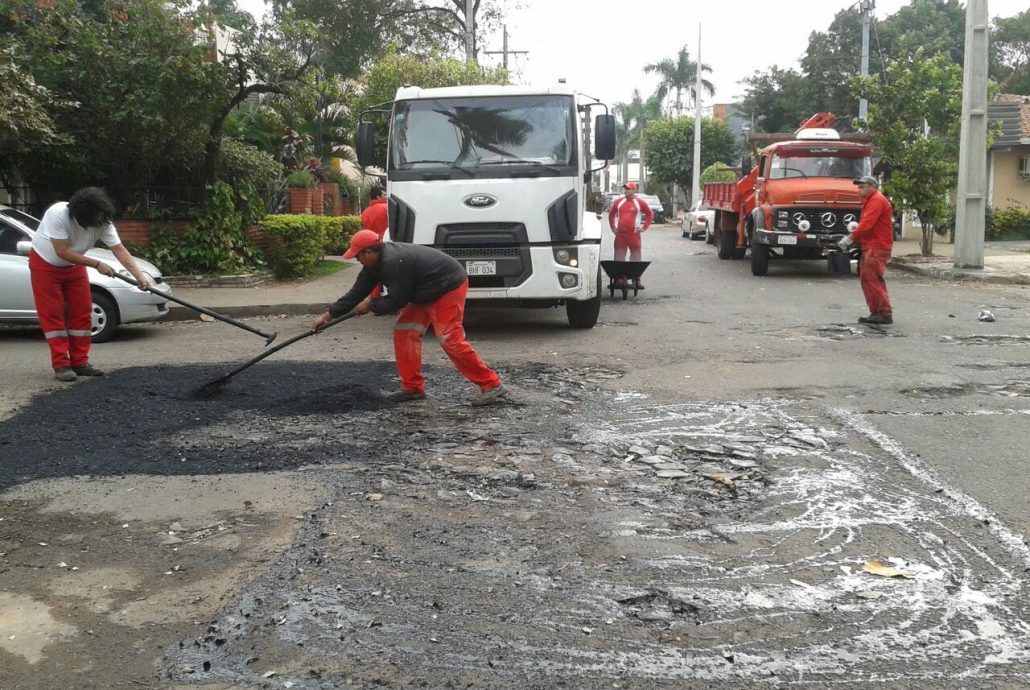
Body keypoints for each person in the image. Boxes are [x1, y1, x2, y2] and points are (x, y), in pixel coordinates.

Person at [312, 230, 507, 406]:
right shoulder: (374, 265)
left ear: (368, 252)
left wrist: (371, 305)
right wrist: (328, 315)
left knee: (449, 339)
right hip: (422, 290)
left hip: (447, 286)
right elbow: (357, 292)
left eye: (358, 256)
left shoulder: (394, 262)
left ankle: (491, 384)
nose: (357, 260)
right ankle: (412, 388)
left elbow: (396, 300)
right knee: (404, 332)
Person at [29, 187, 152, 381]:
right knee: (53, 314)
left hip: (74, 265)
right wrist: (97, 264)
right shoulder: (58, 214)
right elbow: (62, 251)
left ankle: (80, 362)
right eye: (96, 214)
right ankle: (61, 365)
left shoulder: (103, 222)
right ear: (83, 214)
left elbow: (119, 250)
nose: (100, 218)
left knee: (82, 311)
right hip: (45, 265)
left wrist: (139, 277)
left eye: (102, 214)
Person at [838, 175, 894, 325]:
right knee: (868, 279)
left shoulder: (876, 200)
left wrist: (850, 238)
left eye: (862, 187)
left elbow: (867, 224)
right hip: (873, 245)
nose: (859, 190)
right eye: (858, 187)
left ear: (872, 187)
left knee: (873, 279)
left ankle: (883, 313)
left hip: (876, 246)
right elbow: (868, 225)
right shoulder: (872, 200)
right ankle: (877, 312)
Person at [607, 182, 653, 288]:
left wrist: (644, 227)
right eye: (625, 188)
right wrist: (613, 228)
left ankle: (636, 279)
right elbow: (611, 214)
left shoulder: (639, 202)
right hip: (620, 235)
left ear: (634, 190)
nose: (626, 190)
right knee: (619, 257)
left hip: (634, 235)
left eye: (628, 189)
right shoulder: (619, 201)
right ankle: (619, 279)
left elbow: (650, 214)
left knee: (636, 258)